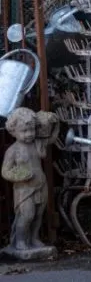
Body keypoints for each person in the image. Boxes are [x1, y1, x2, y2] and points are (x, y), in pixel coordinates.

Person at [2, 108, 58, 260]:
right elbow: (5, 171)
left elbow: (52, 139)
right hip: (24, 188)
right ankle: (20, 241)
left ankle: (33, 238)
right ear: (13, 131)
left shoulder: (36, 144)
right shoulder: (13, 151)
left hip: (40, 183)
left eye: (32, 130)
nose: (29, 134)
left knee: (39, 214)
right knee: (27, 215)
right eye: (24, 131)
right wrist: (19, 176)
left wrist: (56, 123)